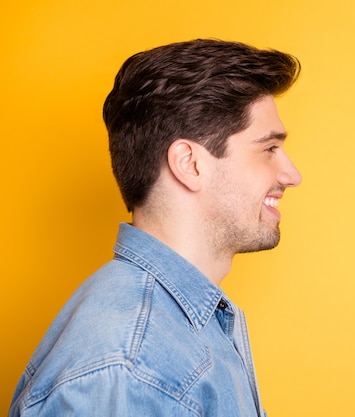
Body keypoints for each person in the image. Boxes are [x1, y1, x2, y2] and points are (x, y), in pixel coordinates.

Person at [9, 39, 302, 417]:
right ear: (190, 165)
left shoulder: (177, 329)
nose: (291, 175)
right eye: (268, 149)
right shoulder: (130, 369)